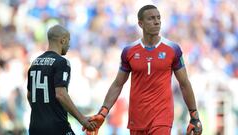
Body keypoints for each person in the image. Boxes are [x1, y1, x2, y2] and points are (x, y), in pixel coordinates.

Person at [84, 5, 203, 135]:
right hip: (137, 118)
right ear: (140, 23)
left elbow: (184, 83)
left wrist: (194, 115)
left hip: (162, 117)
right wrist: (103, 112)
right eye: (151, 18)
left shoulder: (172, 49)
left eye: (158, 18)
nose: (157, 22)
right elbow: (118, 84)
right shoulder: (129, 51)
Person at [27, 24, 97, 135]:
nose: (69, 45)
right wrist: (82, 119)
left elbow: (30, 96)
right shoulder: (61, 62)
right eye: (68, 41)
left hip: (35, 127)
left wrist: (42, 115)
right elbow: (60, 94)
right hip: (56, 126)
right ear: (63, 40)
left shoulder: (35, 63)